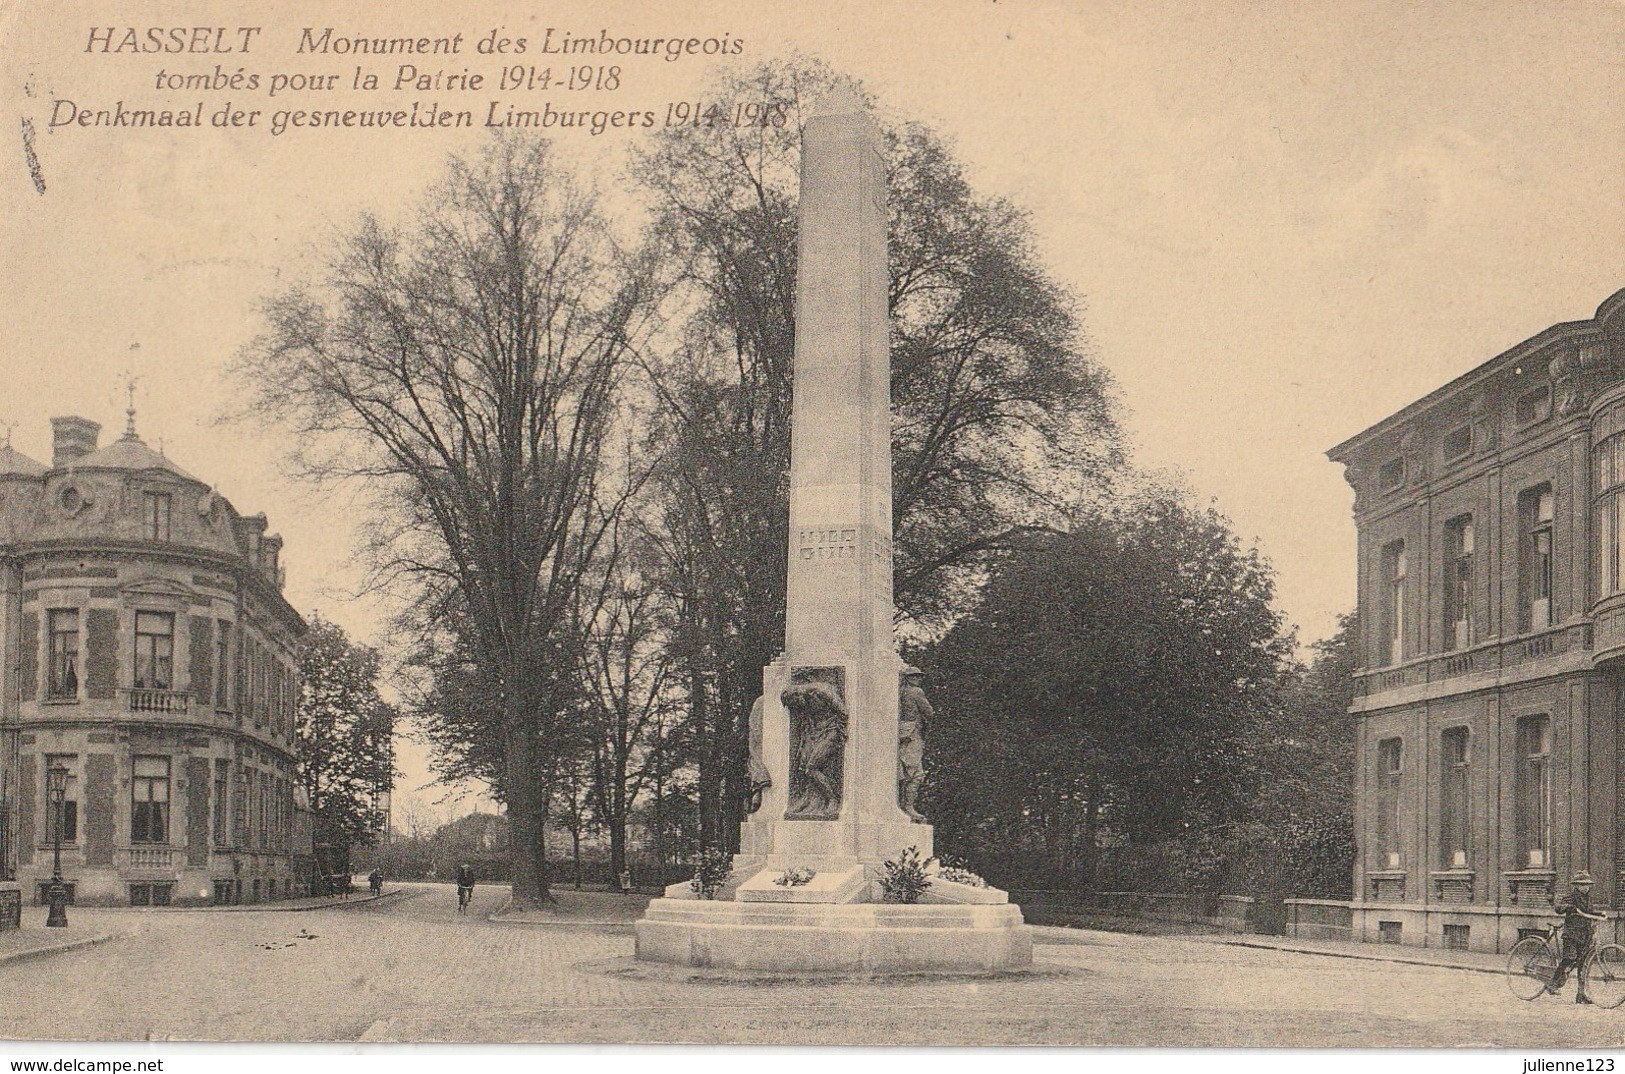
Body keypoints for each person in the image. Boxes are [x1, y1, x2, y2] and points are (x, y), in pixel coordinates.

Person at [1552, 870, 1608, 1004]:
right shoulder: (1571, 896)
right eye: (1582, 885)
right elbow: (1558, 908)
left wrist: (1601, 913)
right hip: (1571, 934)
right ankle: (1553, 982)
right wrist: (1569, 908)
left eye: (1587, 885)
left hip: (1585, 934)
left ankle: (1581, 994)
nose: (1585, 887)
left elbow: (1588, 912)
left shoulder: (1588, 898)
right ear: (1576, 885)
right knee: (1569, 958)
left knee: (1583, 964)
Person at [897, 665, 931, 823]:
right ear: (908, 678)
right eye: (915, 676)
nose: (918, 679)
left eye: (919, 676)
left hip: (903, 732)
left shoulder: (901, 691)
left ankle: (904, 805)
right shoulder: (916, 691)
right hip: (913, 733)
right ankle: (908, 806)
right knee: (916, 773)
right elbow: (928, 711)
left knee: (905, 771)